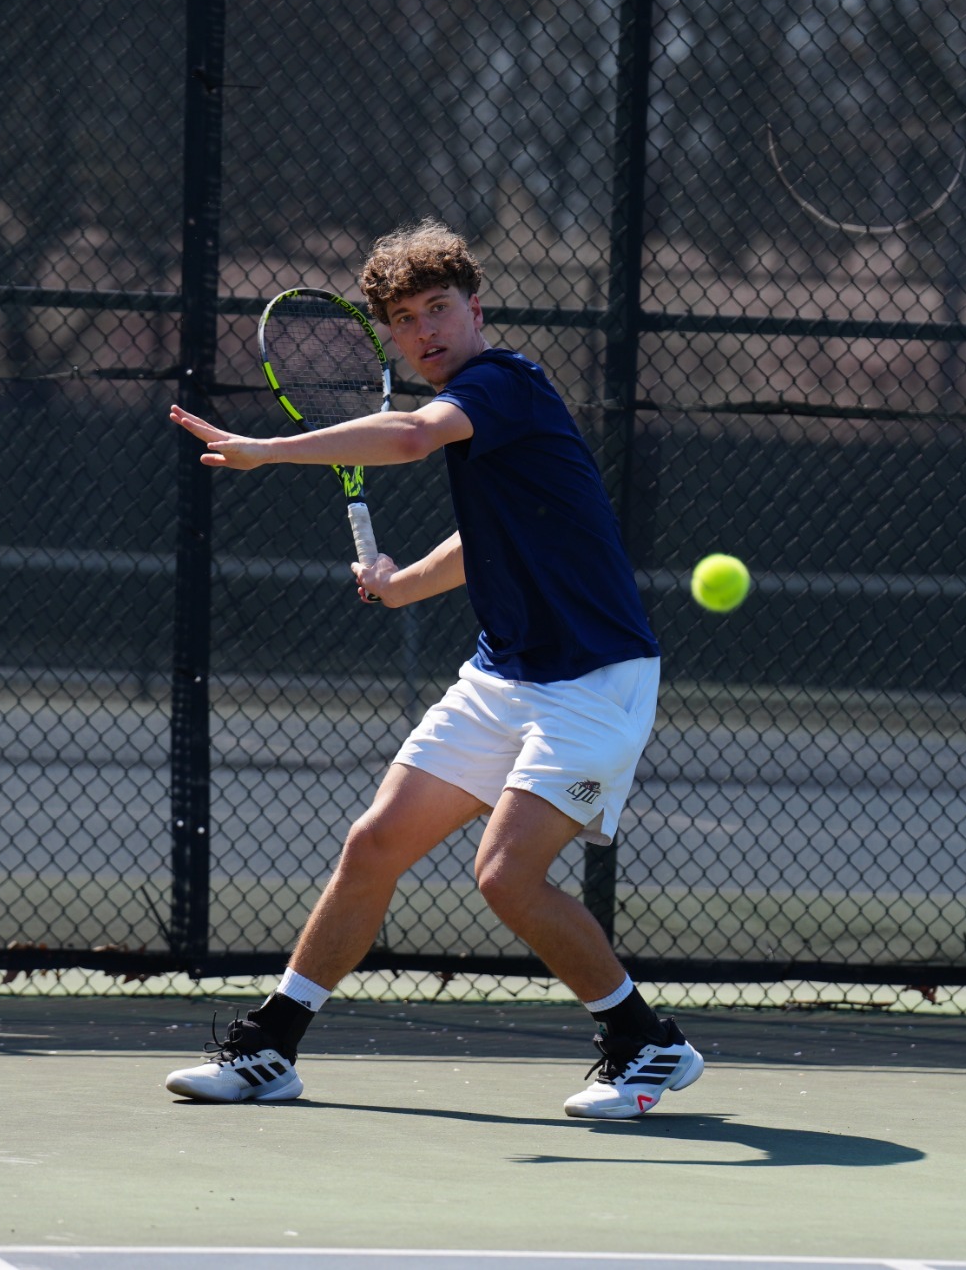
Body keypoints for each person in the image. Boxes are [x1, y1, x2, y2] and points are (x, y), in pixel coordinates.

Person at [162, 219, 700, 1120]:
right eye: (405, 321)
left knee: (505, 875)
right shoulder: (476, 413)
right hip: (504, 676)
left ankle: (648, 1043)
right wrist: (403, 585)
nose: (426, 332)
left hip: (594, 679)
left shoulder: (503, 382)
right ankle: (272, 1049)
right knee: (374, 843)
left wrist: (267, 452)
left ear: (475, 309)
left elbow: (409, 437)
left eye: (439, 309)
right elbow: (488, 532)